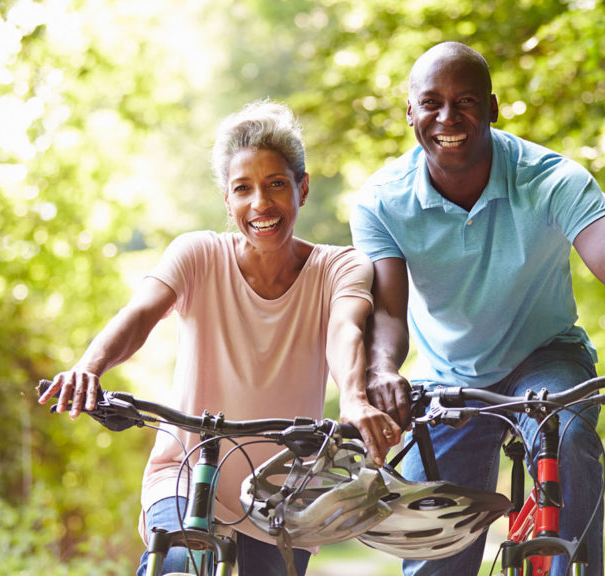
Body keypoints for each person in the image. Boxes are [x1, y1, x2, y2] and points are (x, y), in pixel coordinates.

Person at [350, 42, 605, 576]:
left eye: (466, 102)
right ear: (410, 114)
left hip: (545, 357)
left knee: (567, 435)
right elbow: (387, 312)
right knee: (437, 554)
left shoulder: (551, 179)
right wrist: (381, 371)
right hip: (453, 373)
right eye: (431, 103)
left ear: (494, 109)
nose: (447, 118)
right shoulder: (381, 201)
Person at [38, 100, 400, 576]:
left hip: (282, 492)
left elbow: (345, 329)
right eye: (243, 189)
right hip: (186, 471)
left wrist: (353, 399)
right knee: (179, 563)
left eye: (276, 185)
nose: (261, 204)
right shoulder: (197, 255)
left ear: (302, 189)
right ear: (227, 202)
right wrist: (90, 367)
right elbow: (140, 314)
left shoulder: (340, 267)